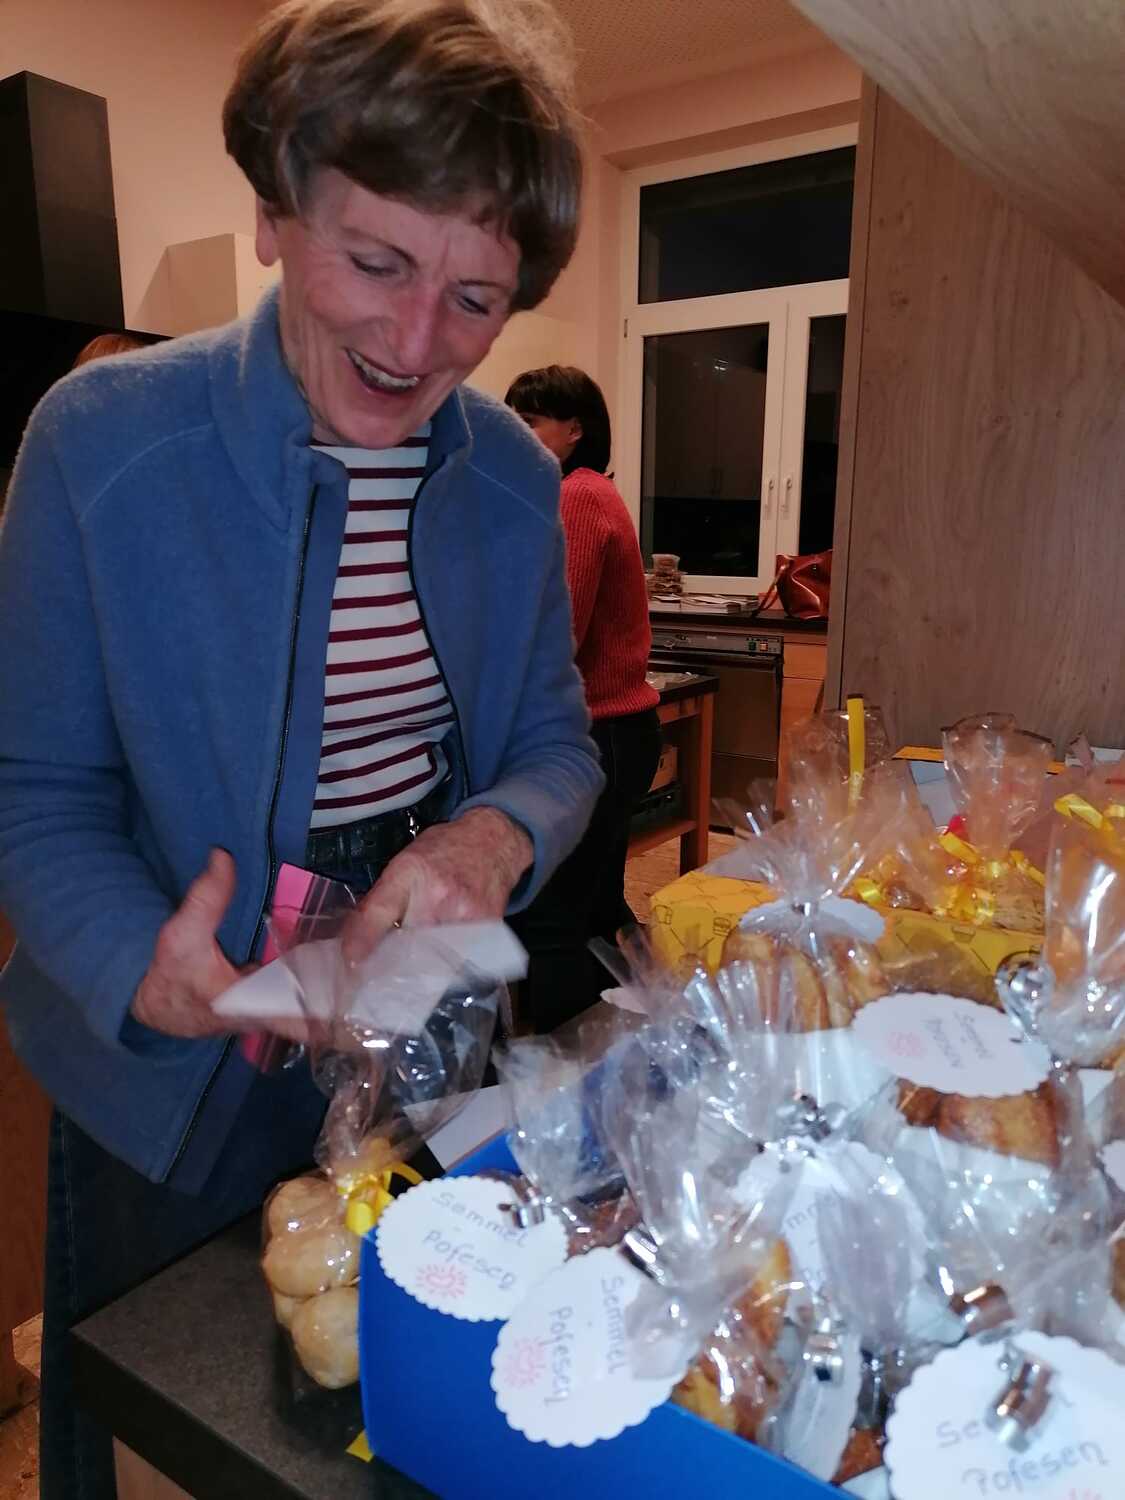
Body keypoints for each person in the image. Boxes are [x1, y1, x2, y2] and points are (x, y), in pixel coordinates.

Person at [0, 3, 599, 1496]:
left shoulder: (512, 483)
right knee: (172, 1436)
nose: (416, 343)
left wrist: (491, 837)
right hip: (175, 1062)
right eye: (377, 263)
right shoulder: (98, 444)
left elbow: (555, 745)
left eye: (476, 298)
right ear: (275, 211)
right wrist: (139, 964)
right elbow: (36, 790)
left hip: (419, 1039)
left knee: (389, 1428)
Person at [504, 365, 660, 1032]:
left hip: (594, 735)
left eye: (530, 421)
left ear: (575, 430)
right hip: (621, 731)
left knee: (549, 920)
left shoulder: (575, 497)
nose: (516, 432)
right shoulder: (592, 491)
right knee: (596, 905)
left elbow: (557, 635)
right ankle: (645, 1030)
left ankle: (555, 1071)